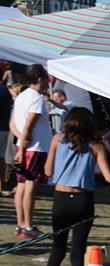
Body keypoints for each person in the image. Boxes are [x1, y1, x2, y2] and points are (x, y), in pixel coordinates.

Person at [34, 107, 110, 266]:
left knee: (57, 249)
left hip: (61, 199)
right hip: (82, 201)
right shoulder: (95, 146)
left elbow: (48, 171)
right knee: (78, 251)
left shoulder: (57, 140)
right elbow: (109, 178)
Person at [12, 63, 53, 238]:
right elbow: (29, 127)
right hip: (34, 148)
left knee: (21, 185)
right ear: (40, 79)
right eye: (46, 79)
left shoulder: (21, 96)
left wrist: (20, 143)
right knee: (30, 187)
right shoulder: (36, 99)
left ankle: (20, 225)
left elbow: (13, 123)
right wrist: (23, 146)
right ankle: (28, 226)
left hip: (24, 146)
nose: (48, 82)